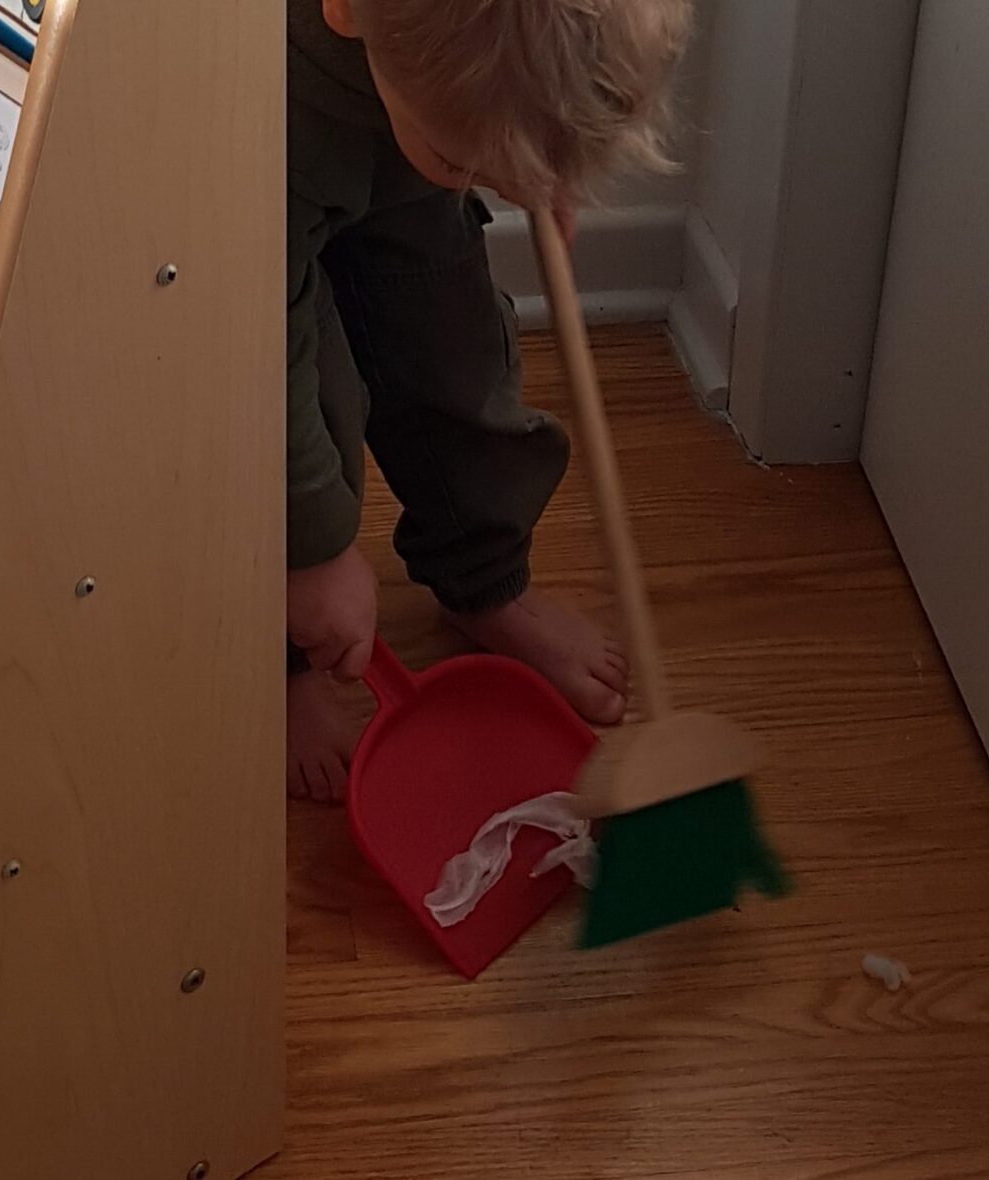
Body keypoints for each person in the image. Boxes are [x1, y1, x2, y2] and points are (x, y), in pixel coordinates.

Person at [284, 0, 692, 801]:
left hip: (404, 123)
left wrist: (541, 155)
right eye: (476, 164)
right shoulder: (259, 103)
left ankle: (486, 580)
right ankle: (282, 657)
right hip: (265, 166)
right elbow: (255, 329)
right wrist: (314, 550)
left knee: (456, 350)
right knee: (292, 412)